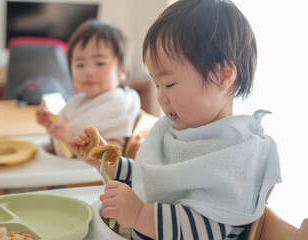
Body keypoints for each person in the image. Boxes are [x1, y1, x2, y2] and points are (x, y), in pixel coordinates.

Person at [68, 0, 282, 239]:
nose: (160, 97)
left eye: (169, 84)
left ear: (223, 76)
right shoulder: (181, 131)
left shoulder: (235, 154)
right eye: (156, 84)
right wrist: (107, 162)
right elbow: (150, 177)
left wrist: (139, 215)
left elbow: (209, 229)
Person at [36, 19, 141, 156]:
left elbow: (111, 158)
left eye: (100, 63)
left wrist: (71, 139)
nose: (89, 72)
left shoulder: (119, 103)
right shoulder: (78, 101)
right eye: (80, 65)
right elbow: (59, 147)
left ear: (122, 71)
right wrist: (52, 126)